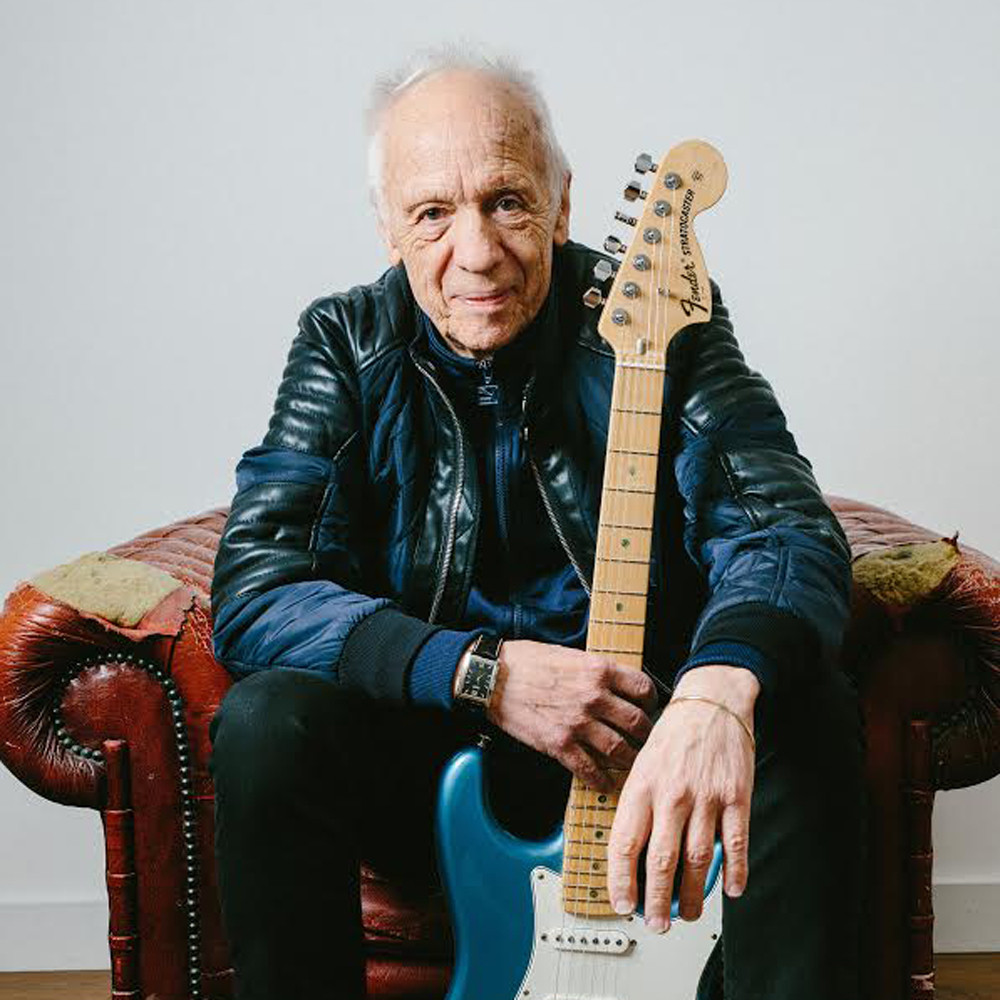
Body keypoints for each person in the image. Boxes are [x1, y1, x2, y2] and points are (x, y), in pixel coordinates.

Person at [208, 45, 867, 1000]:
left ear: (561, 205)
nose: (476, 252)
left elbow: (784, 530)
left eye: (507, 201)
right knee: (267, 723)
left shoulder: (661, 317)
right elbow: (259, 587)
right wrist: (482, 674)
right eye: (432, 213)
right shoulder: (345, 343)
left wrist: (716, 694)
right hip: (435, 755)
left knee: (801, 704)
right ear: (388, 228)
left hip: (644, 749)